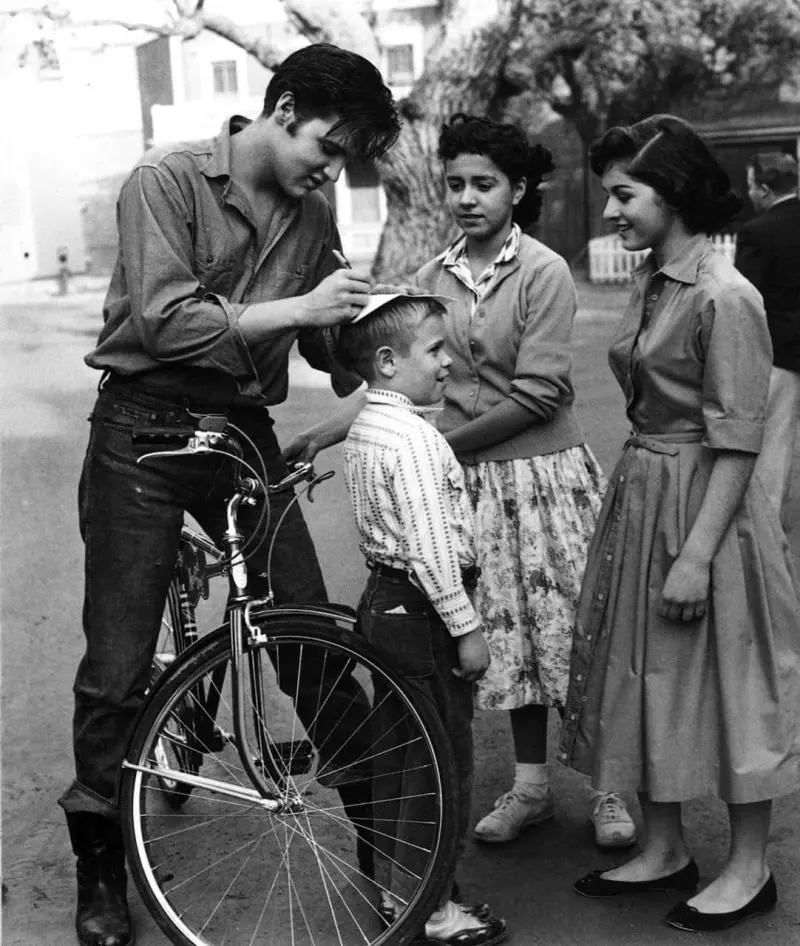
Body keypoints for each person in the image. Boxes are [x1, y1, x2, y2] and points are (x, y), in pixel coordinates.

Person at [59, 43, 400, 946]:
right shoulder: (164, 182)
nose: (332, 169)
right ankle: (100, 871)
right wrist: (300, 311)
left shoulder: (313, 205)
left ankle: (383, 845)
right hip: (142, 426)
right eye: (329, 145)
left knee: (308, 624)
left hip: (240, 425)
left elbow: (330, 347)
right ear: (284, 108)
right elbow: (165, 323)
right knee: (120, 660)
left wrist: (380, 325)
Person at [561, 114, 800, 933]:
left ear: (672, 194)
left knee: (734, 688)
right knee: (642, 674)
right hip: (645, 494)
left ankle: (748, 868)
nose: (612, 212)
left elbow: (739, 436)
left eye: (625, 195)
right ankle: (663, 849)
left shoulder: (726, 295)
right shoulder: (658, 279)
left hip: (708, 512)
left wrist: (697, 556)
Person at [413, 113, 636, 849]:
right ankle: (532, 788)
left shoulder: (542, 270)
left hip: (545, 479)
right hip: (473, 488)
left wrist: (444, 445)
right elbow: (408, 373)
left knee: (573, 635)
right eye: (456, 184)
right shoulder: (432, 277)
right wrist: (331, 427)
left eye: (485, 184)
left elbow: (539, 394)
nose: (468, 198)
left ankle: (609, 787)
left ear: (517, 190)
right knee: (508, 641)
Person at [337, 291, 507, 946]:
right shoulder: (412, 439)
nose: (447, 361)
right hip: (425, 610)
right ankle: (430, 908)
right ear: (386, 361)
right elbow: (431, 548)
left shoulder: (369, 428)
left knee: (402, 756)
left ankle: (397, 883)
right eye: (434, 349)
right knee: (442, 762)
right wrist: (465, 628)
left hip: (386, 602)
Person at [734, 151, 800, 528]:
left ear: (763, 189)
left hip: (781, 351)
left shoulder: (757, 232)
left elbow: (748, 300)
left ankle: (767, 524)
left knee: (775, 440)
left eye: (750, 186)